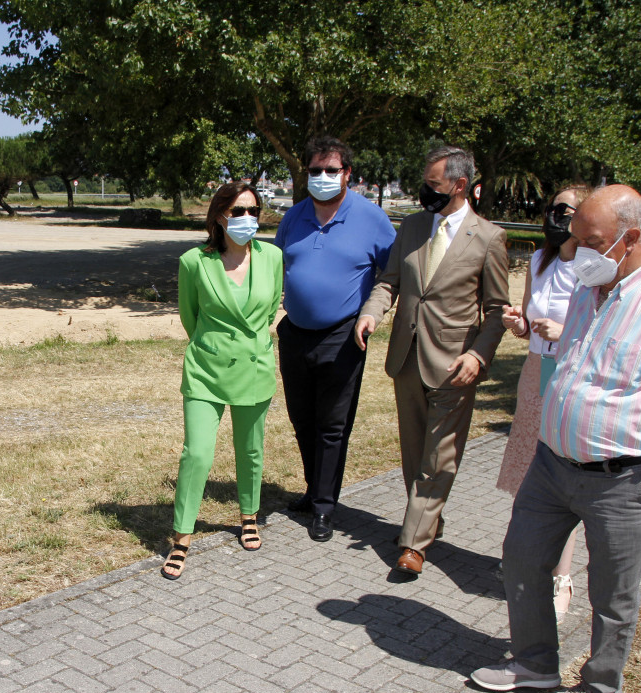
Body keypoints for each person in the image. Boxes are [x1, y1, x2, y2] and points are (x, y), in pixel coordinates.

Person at [470, 184, 641, 693]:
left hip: (626, 479)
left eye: (591, 239)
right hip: (553, 464)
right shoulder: (591, 286)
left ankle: (602, 691)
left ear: (630, 238)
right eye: (575, 235)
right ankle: (534, 662)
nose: (577, 248)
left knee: (612, 592)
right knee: (522, 560)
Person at [355, 145, 509, 575]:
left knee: (439, 457)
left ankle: (413, 543)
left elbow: (496, 310)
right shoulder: (413, 226)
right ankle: (427, 520)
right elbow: (390, 282)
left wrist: (479, 354)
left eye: (433, 184)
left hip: (455, 363)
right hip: (406, 357)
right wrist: (371, 313)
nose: (426, 191)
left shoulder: (490, 238)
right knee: (414, 451)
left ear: (460, 185)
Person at [274, 136, 396, 542]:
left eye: (331, 170)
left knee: (331, 426)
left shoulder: (372, 218)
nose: (322, 177)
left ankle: (326, 507)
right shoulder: (293, 218)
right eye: (314, 171)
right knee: (301, 420)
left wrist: (371, 315)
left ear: (347, 174)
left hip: (343, 336)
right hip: (294, 334)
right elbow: (278, 268)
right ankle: (313, 490)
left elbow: (391, 277)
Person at [161, 181, 284, 580]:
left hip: (254, 367)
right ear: (219, 217)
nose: (247, 219)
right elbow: (189, 318)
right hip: (206, 369)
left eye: (253, 211)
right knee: (196, 453)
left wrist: (260, 340)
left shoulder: (273, 257)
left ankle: (249, 514)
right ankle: (181, 536)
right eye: (238, 212)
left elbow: (271, 311)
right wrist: (215, 345)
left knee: (250, 450)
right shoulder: (194, 261)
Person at [497, 185, 591, 622]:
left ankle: (562, 577)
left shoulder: (595, 269)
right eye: (551, 207)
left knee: (560, 472)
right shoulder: (539, 261)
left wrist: (565, 332)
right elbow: (529, 322)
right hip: (537, 370)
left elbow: (604, 330)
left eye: (565, 209)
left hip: (573, 372)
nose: (555, 216)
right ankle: (528, 563)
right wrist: (519, 325)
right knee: (529, 473)